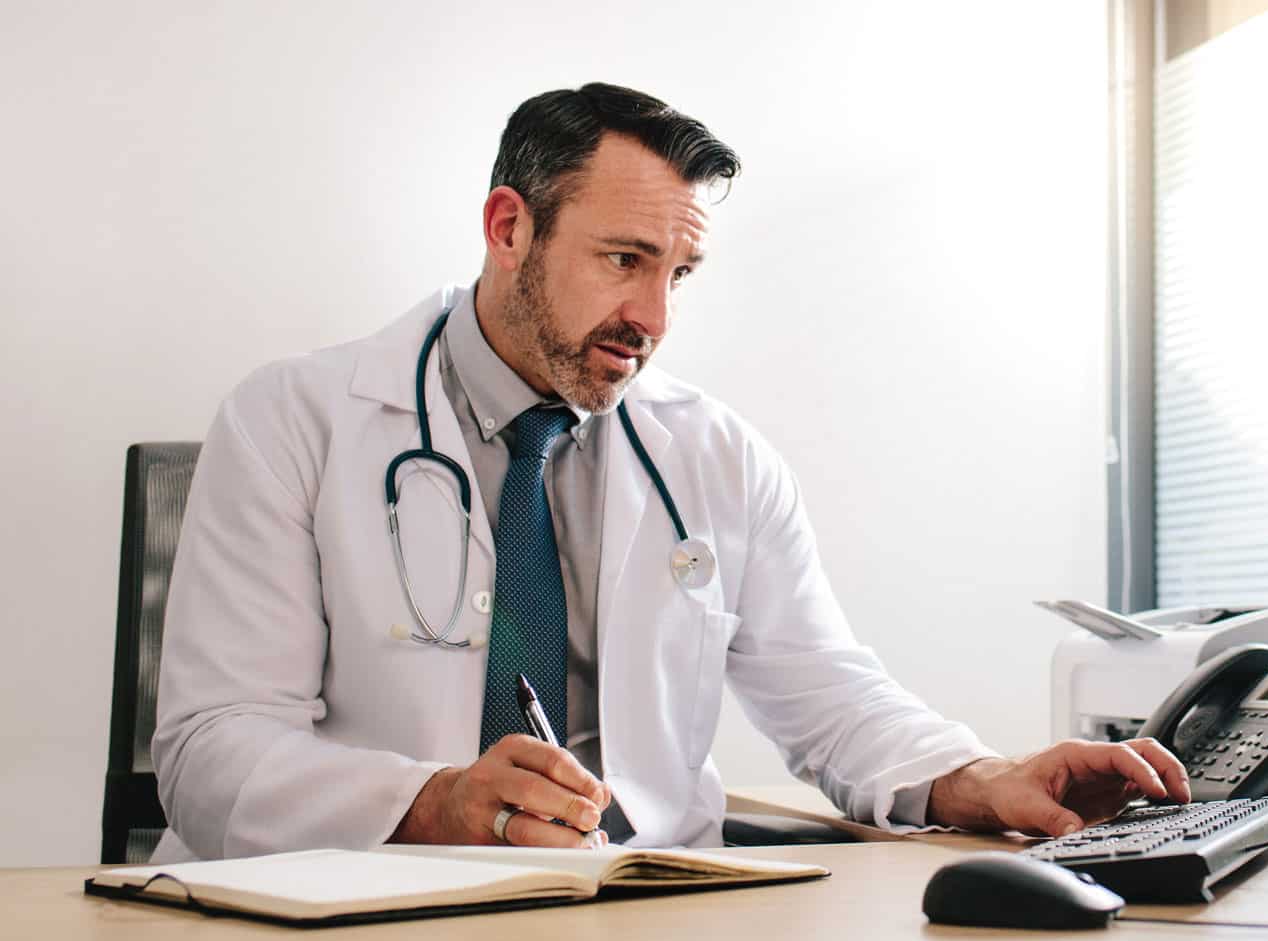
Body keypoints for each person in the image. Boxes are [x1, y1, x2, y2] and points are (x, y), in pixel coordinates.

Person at [150, 82, 1190, 861]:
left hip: (622, 915)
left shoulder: (716, 455)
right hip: (348, 912)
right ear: (509, 228)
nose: (652, 319)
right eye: (623, 259)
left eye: (678, 272)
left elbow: (828, 695)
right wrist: (433, 799)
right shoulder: (294, 418)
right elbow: (212, 750)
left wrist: (987, 776)